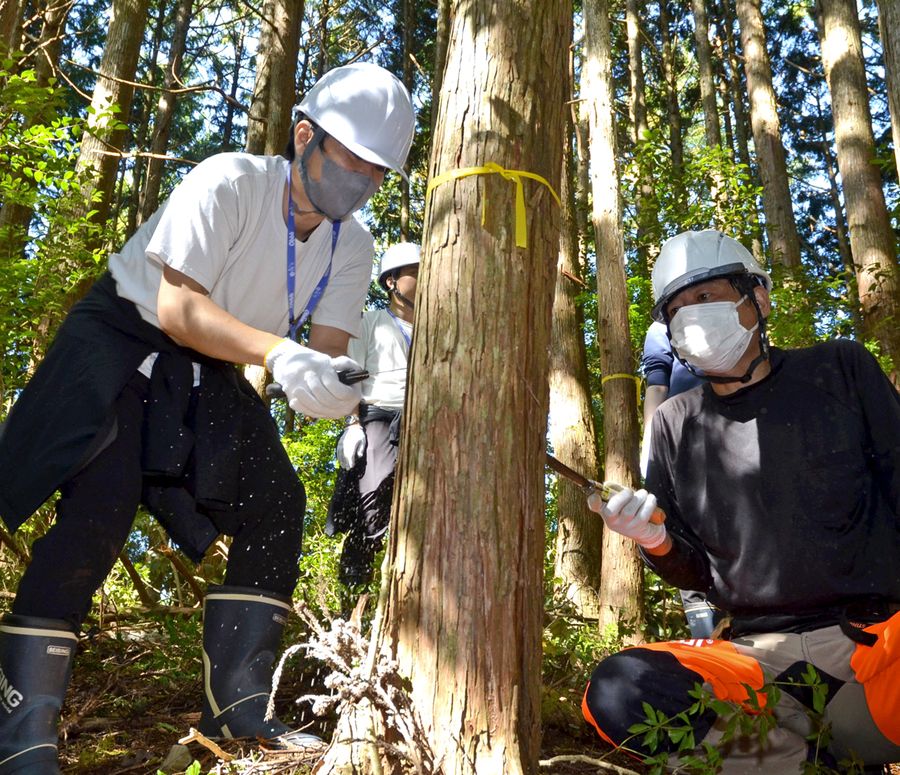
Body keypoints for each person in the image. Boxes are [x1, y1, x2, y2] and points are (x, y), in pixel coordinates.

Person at [0, 61, 415, 769]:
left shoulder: (357, 245)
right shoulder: (230, 180)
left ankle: (238, 712)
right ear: (305, 135)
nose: (361, 179)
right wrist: (283, 356)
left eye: (377, 171)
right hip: (123, 337)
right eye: (350, 158)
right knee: (102, 505)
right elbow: (178, 307)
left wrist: (336, 390)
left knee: (278, 499)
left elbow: (329, 351)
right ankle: (21, 729)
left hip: (215, 365)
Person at [582, 230, 900, 772]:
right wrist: (654, 539)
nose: (692, 317)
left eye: (705, 297)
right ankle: (801, 763)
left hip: (876, 650)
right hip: (752, 665)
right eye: (676, 309)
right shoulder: (672, 425)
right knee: (616, 689)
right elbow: (693, 570)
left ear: (759, 297)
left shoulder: (840, 370)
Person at [326, 242, 418, 587]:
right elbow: (352, 373)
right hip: (380, 416)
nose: (423, 280)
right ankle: (356, 585)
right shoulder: (369, 322)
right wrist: (353, 425)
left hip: (429, 419)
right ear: (391, 281)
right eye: (414, 273)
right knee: (373, 500)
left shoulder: (438, 326)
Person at [641, 321, 719, 639]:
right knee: (687, 532)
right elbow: (656, 386)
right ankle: (708, 644)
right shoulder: (661, 329)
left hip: (733, 442)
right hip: (684, 448)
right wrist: (650, 442)